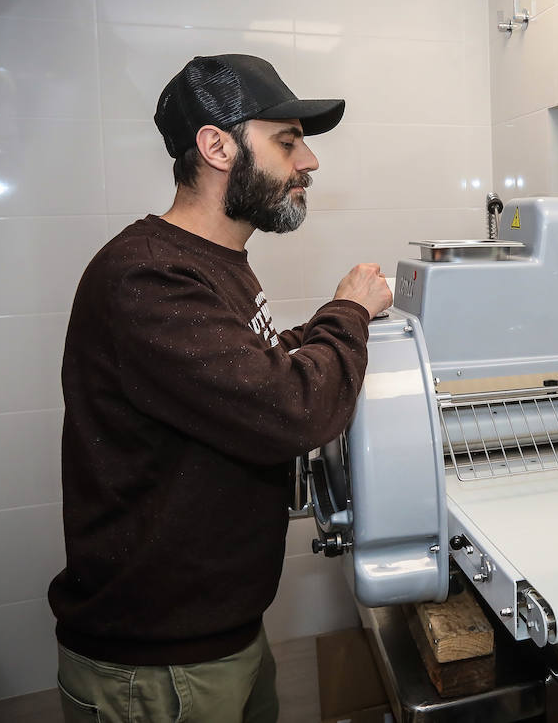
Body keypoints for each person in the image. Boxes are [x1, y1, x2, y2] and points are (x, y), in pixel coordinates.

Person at [47, 54, 392, 722]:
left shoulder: (212, 264)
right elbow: (291, 408)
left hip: (216, 635)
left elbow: (249, 373)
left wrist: (336, 319)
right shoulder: (148, 278)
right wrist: (348, 314)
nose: (310, 162)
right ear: (216, 146)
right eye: (288, 142)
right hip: (158, 668)